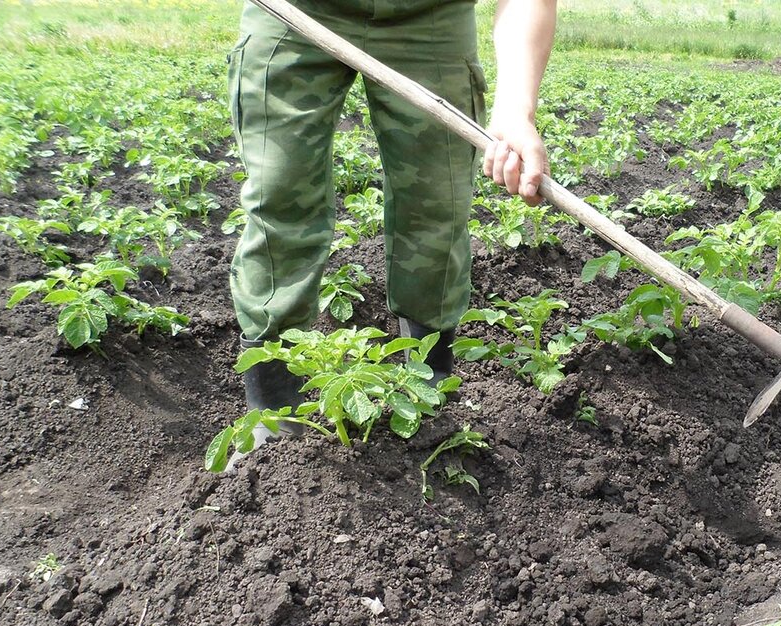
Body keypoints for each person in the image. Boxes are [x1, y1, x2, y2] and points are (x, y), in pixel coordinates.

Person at [225, 0, 555, 451]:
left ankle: (424, 393)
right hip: (294, 10)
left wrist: (517, 109)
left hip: (429, 15)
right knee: (280, 193)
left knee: (436, 205)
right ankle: (277, 418)